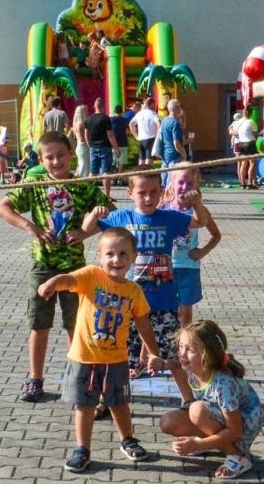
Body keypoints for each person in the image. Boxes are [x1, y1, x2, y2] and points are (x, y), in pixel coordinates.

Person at [36, 227, 164, 473]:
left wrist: (153, 352)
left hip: (116, 359)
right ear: (100, 256)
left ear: (134, 257)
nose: (117, 259)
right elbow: (68, 280)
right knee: (85, 405)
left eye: (124, 254)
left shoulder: (133, 291)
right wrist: (53, 281)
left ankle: (127, 439)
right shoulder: (91, 275)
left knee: (119, 403)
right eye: (110, 254)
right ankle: (82, 449)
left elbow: (144, 324)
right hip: (84, 357)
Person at [0, 131, 112, 402]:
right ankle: (35, 379)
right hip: (43, 265)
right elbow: (2, 208)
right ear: (40, 158)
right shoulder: (34, 183)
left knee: (75, 325)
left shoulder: (83, 185)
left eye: (61, 155)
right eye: (49, 157)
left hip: (74, 270)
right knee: (39, 324)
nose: (56, 161)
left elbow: (108, 211)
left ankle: (78, 378)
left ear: (72, 155)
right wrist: (30, 226)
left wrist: (85, 232)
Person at [86, 170, 207, 404]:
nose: (149, 198)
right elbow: (86, 230)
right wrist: (93, 214)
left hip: (164, 302)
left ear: (162, 192)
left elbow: (200, 222)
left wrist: (197, 203)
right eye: (142, 193)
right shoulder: (121, 218)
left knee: (173, 355)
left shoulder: (170, 217)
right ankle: (108, 400)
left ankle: (189, 400)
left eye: (154, 192)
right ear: (130, 193)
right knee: (118, 355)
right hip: (126, 304)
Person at [161, 321, 263, 480]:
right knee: (168, 422)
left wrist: (197, 444)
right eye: (181, 346)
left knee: (197, 410)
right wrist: (158, 362)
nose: (182, 353)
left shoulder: (223, 385)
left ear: (207, 354)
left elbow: (236, 431)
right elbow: (175, 367)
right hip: (219, 418)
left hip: (244, 426)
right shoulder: (194, 369)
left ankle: (238, 457)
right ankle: (213, 442)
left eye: (190, 349)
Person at [162, 166, 221, 327]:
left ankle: (184, 344)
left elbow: (216, 235)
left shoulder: (199, 212)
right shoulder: (163, 208)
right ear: (172, 183)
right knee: (163, 310)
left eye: (190, 183)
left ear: (197, 186)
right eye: (180, 182)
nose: (184, 187)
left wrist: (203, 251)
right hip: (164, 267)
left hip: (188, 267)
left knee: (185, 313)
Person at [83, 106, 116, 183]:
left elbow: (86, 135)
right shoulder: (105, 118)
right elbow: (110, 135)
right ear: (103, 106)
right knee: (106, 172)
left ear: (94, 107)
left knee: (93, 172)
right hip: (105, 147)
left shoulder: (88, 119)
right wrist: (116, 148)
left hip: (93, 147)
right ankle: (107, 194)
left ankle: (90, 192)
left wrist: (89, 145)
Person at [229, 105, 259, 188]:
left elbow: (233, 131)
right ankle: (250, 182)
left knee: (243, 163)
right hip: (250, 143)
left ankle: (242, 183)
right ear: (251, 113)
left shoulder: (239, 122)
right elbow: (256, 134)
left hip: (241, 143)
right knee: (252, 163)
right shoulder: (251, 122)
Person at [130, 97, 161, 166]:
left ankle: (140, 175)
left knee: (141, 159)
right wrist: (158, 136)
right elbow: (158, 123)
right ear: (152, 104)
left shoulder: (139, 114)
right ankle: (148, 175)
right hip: (151, 138)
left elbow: (131, 124)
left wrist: (136, 136)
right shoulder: (153, 114)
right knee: (149, 160)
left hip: (141, 139)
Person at [159, 99, 188, 169]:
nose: (180, 109)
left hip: (165, 156)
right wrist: (184, 154)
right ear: (176, 108)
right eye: (179, 107)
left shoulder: (164, 120)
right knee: (173, 179)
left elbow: (163, 138)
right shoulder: (175, 123)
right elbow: (176, 143)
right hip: (175, 157)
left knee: (164, 180)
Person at [71, 104, 91, 177]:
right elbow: (83, 138)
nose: (87, 112)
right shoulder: (81, 125)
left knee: (82, 164)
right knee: (84, 165)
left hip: (80, 146)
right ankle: (83, 180)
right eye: (86, 111)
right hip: (83, 147)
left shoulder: (76, 124)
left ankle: (79, 178)